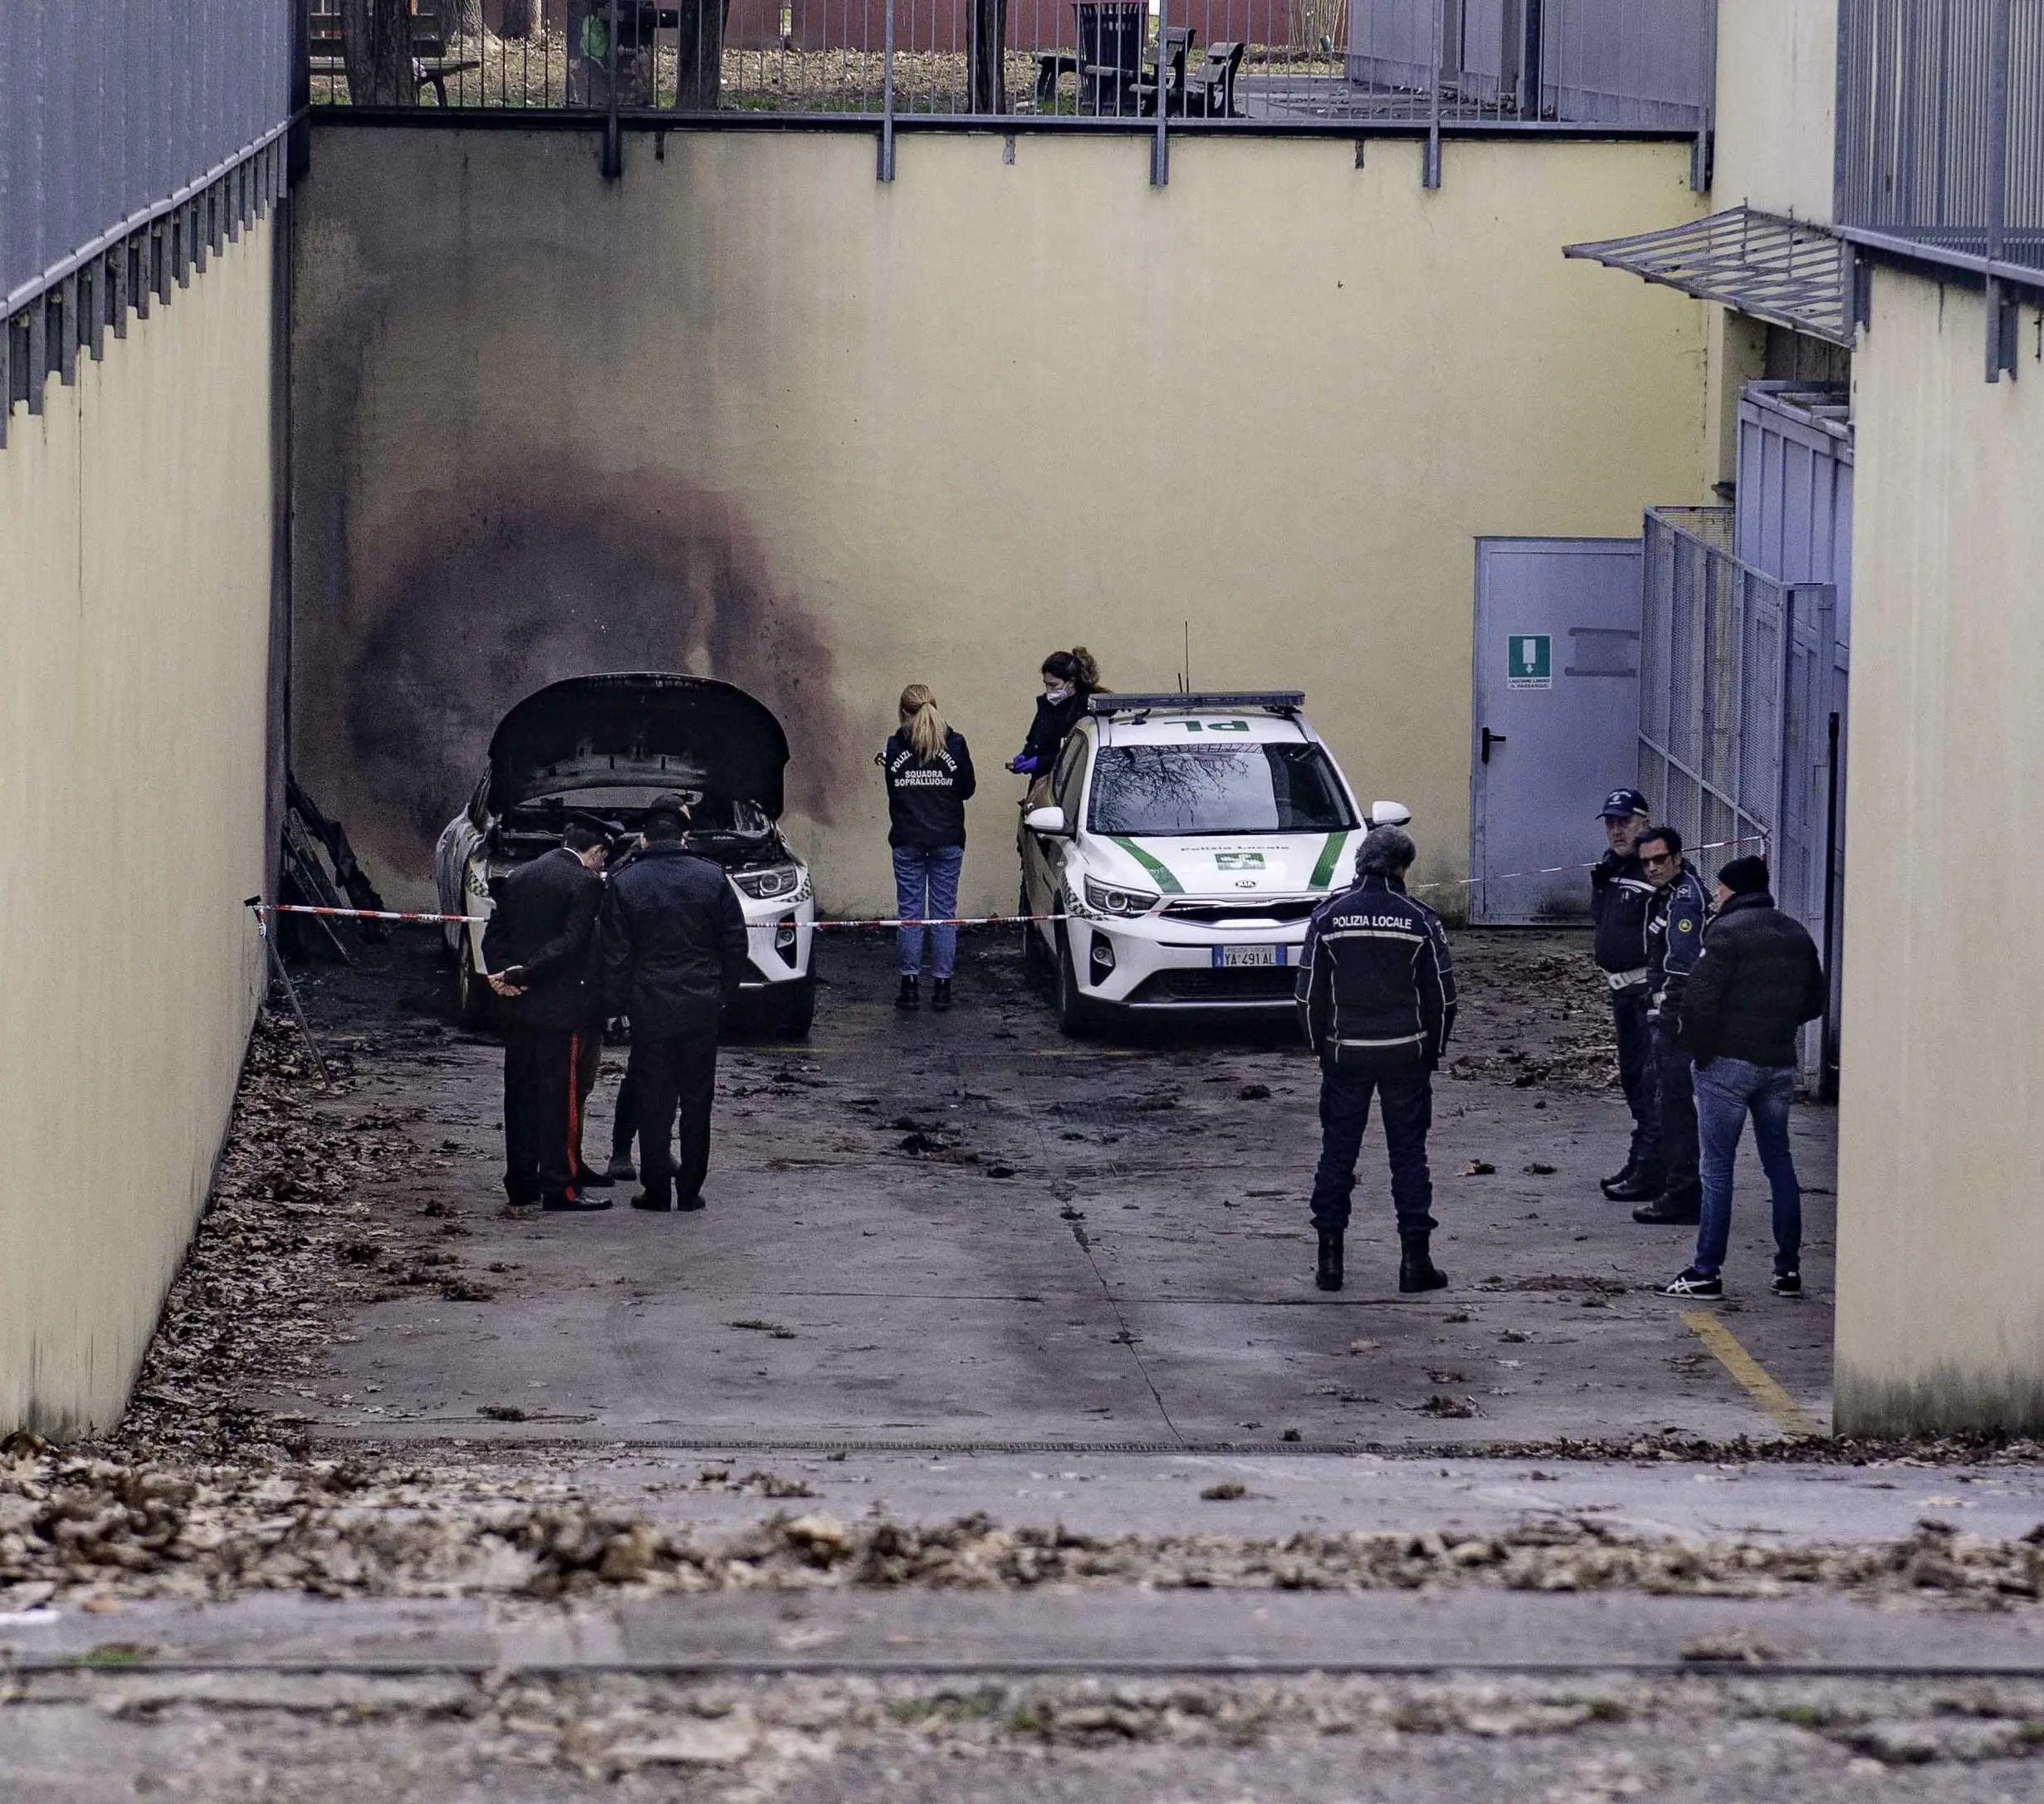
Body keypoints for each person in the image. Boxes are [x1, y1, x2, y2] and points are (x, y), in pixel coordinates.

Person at [1296, 824, 1457, 1295]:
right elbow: (1444, 998)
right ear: (1403, 867)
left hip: (1345, 1054)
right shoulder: (1421, 919)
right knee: (1409, 1155)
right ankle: (1415, 1263)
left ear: (1360, 863)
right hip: (1406, 1053)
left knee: (1336, 1155)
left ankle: (1330, 1264)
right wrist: (1434, 1050)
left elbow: (1307, 995)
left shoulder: (1328, 917)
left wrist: (1321, 1049)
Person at [1657, 855, 1827, 1300]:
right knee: (1779, 1162)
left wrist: (1700, 1051)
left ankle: (1706, 1271)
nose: (1714, 894)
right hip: (1778, 1063)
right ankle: (1788, 1270)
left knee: (1716, 1169)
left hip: (1727, 1065)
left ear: (1732, 890)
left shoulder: (1724, 933)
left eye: (1719, 888)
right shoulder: (1796, 932)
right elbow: (1814, 1001)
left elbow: (1699, 1001)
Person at [599, 793, 751, 1214]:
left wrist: (616, 1006)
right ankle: (689, 1190)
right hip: (701, 1004)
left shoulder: (625, 882)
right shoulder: (712, 877)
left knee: (654, 1098)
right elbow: (735, 943)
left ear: (644, 838)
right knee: (697, 1100)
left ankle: (656, 1190)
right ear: (683, 836)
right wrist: (723, 993)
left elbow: (615, 953)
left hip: (650, 1007)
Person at [482, 825, 610, 1213]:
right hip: (558, 1011)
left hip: (518, 1009)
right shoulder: (585, 884)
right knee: (559, 1101)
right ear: (595, 851)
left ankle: (521, 1183)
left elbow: (494, 937)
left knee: (519, 1096)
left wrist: (506, 975)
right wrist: (527, 973)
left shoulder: (519, 876)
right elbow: (572, 943)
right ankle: (560, 1186)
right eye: (603, 858)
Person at [879, 683, 976, 1014]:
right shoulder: (956, 743)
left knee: (910, 914)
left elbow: (894, 790)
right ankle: (942, 988)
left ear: (903, 712)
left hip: (907, 839)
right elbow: (967, 789)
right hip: (947, 838)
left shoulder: (895, 746)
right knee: (943, 915)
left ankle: (908, 988)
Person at [1631, 824, 1709, 1227]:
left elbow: (1683, 961)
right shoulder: (1667, 896)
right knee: (1659, 1096)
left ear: (1677, 857)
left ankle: (1683, 1191)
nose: (1652, 868)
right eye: (1646, 862)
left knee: (1673, 1102)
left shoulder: (1685, 899)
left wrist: (1668, 1011)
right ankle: (1665, 1180)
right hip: (1664, 1010)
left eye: (1660, 859)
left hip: (1676, 1016)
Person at [1590, 788, 1663, 1205]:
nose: (1617, 830)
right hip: (1622, 991)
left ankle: (1651, 1167)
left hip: (1646, 993)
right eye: (1611, 823)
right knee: (1633, 1080)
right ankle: (1642, 1159)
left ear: (1644, 823)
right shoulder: (1611, 867)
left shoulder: (1654, 871)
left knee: (1650, 1082)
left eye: (1625, 822)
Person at [1006, 648, 1101, 788]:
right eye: (1046, 684)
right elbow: (1035, 739)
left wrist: (1040, 762)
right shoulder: (1046, 705)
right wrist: (1026, 755)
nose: (1049, 690)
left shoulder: (1086, 709)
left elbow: (1078, 754)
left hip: (1069, 786)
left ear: (1071, 682)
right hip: (1041, 784)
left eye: (1054, 685)